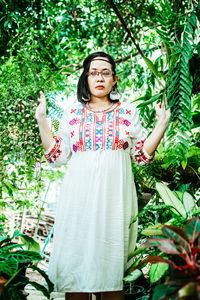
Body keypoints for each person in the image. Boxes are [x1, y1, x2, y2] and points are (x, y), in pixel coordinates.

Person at [35, 51, 170, 300]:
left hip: (114, 203)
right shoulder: (73, 114)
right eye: (94, 73)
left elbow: (140, 156)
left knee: (111, 272)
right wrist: (43, 121)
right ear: (85, 78)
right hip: (78, 203)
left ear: (114, 79)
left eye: (105, 73)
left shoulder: (128, 113)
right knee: (76, 276)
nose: (100, 78)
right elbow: (56, 157)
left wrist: (161, 125)